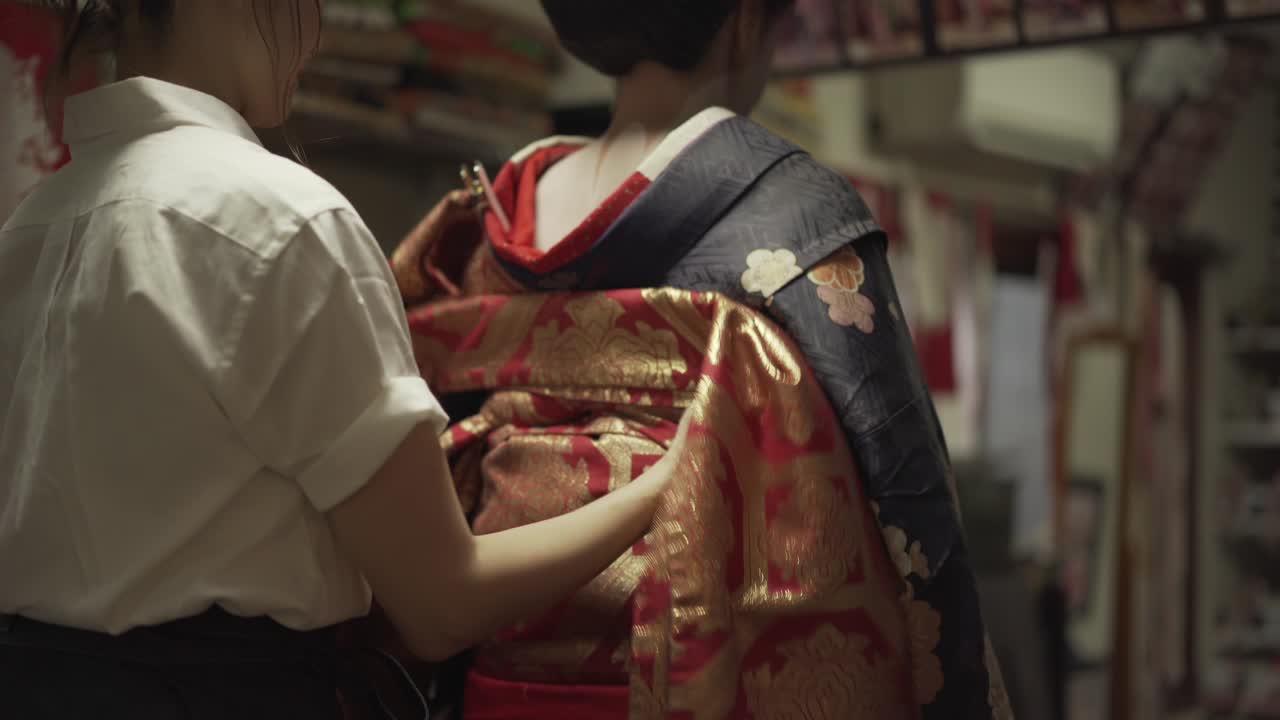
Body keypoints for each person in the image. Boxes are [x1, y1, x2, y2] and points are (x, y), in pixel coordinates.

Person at [0, 2, 689, 718]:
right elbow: (443, 604)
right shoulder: (279, 217)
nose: (318, 34)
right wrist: (661, 484)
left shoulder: (28, 228)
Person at [390, 1, 1011, 718]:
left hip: (496, 673)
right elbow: (908, 496)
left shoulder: (495, 219)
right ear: (745, 20)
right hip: (713, 673)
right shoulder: (798, 221)